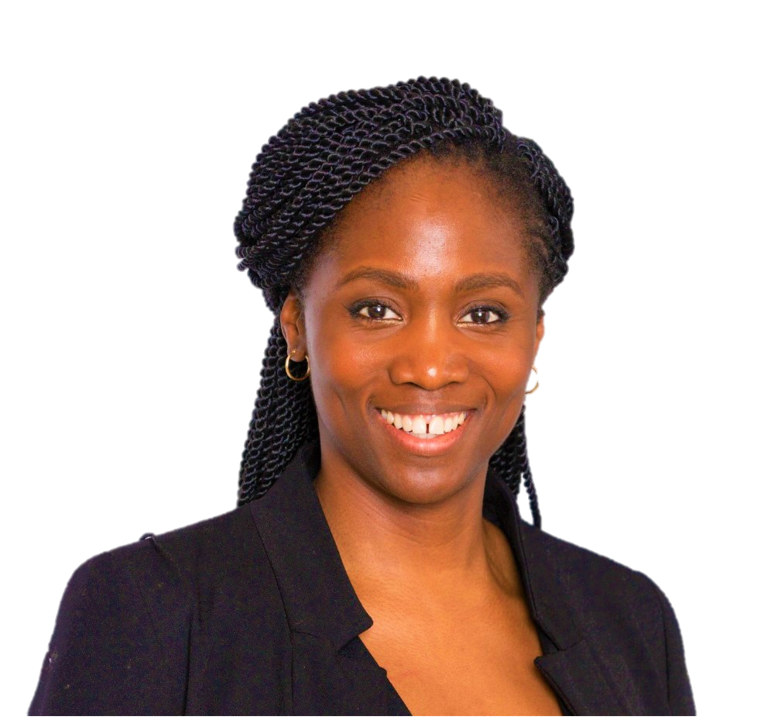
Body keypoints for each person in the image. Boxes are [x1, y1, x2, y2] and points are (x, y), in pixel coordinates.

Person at [28, 76, 696, 716]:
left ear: (536, 337)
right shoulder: (158, 610)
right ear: (297, 326)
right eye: (376, 309)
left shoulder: (631, 621)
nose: (429, 368)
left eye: (483, 314)